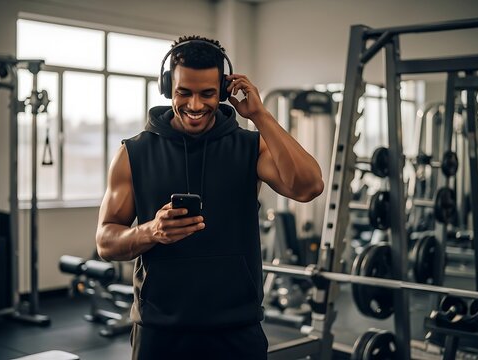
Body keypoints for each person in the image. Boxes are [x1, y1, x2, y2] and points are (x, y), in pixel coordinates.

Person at [95, 35, 324, 360]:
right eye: (183, 93)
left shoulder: (249, 147)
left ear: (225, 92)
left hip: (237, 330)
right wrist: (150, 231)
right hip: (160, 332)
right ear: (166, 87)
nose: (195, 105)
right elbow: (105, 241)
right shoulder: (134, 152)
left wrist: (259, 114)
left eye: (207, 94)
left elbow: (308, 187)